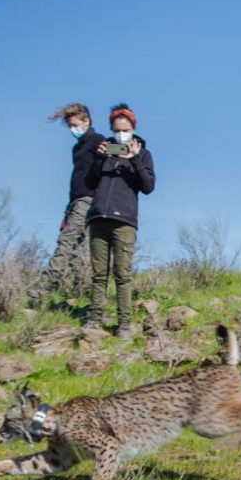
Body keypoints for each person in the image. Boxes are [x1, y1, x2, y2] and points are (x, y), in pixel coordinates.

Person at [85, 104, 155, 337]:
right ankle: (94, 319)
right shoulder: (103, 151)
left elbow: (148, 187)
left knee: (122, 274)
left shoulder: (144, 154)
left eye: (125, 130)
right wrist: (99, 158)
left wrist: (134, 159)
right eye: (116, 130)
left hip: (124, 221)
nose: (120, 134)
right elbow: (89, 183)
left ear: (133, 129)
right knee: (98, 274)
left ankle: (124, 323)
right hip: (98, 218)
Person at [28, 103, 106, 306]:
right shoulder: (77, 148)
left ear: (86, 121)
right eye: (70, 126)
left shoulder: (99, 141)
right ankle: (79, 291)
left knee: (66, 242)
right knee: (75, 248)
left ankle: (41, 290)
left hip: (88, 200)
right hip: (75, 201)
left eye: (75, 125)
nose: (73, 129)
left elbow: (113, 158)